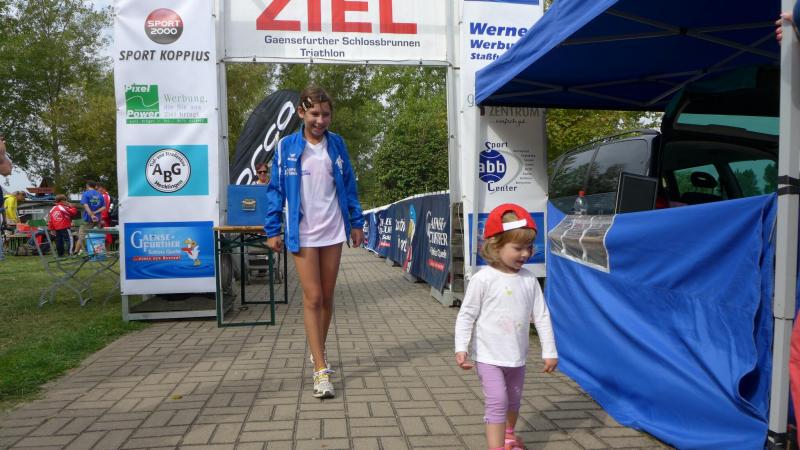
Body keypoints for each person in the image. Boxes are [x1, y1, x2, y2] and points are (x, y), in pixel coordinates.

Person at [264, 86, 364, 399]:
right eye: (314, 114)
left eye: (326, 114)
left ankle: (316, 349)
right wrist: (272, 229)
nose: (320, 120)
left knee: (328, 296)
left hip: (333, 228)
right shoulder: (286, 146)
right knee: (313, 296)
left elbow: (349, 185)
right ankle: (321, 368)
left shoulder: (338, 144)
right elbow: (275, 190)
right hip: (303, 231)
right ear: (301, 113)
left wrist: (356, 222)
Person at [454, 203, 558, 450]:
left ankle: (509, 435)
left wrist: (549, 351)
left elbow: (542, 316)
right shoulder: (482, 279)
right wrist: (461, 347)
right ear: (496, 245)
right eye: (518, 248)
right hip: (488, 356)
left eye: (529, 247)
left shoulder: (529, 279)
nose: (525, 254)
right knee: (498, 401)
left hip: (517, 357)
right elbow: (467, 315)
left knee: (513, 400)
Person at [75, 180, 106, 254]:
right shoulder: (100, 194)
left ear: (87, 186)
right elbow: (104, 207)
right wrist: (95, 212)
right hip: (98, 219)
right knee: (99, 236)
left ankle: (77, 252)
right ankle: (99, 251)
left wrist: (92, 215)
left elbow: (85, 205)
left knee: (81, 236)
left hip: (88, 219)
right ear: (95, 186)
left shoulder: (86, 194)